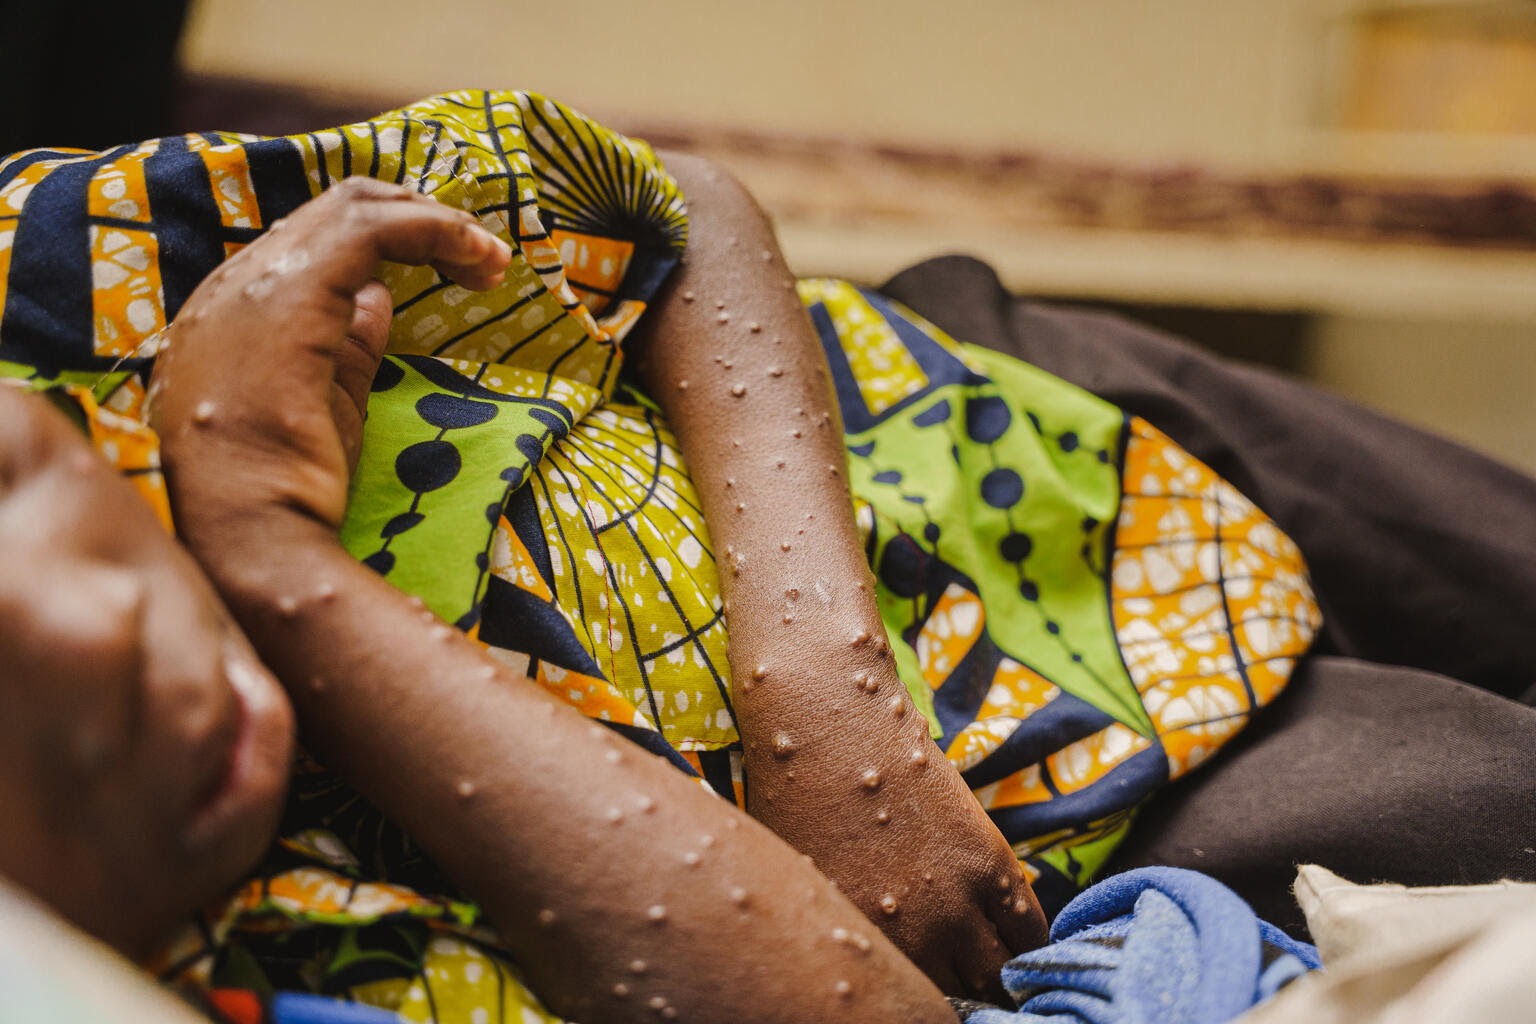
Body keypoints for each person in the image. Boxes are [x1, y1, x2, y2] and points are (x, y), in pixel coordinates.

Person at [0, 90, 1321, 1020]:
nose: (82, 631)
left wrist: (825, 683)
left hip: (1017, 453)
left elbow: (673, 211)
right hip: (1075, 861)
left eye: (9, 481)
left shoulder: (65, 284)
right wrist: (273, 563)